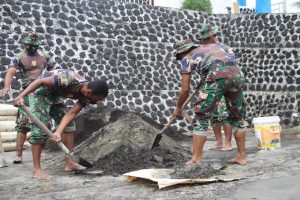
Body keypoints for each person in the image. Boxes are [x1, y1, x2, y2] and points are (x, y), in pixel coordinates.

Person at [13, 69, 109, 179]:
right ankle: (37, 170)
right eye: (98, 98)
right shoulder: (67, 78)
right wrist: (21, 95)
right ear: (89, 92)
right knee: (40, 130)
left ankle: (70, 163)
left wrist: (58, 132)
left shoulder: (87, 96)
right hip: (39, 91)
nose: (97, 102)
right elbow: (40, 82)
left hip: (53, 95)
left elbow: (71, 114)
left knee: (69, 126)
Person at [173, 23, 247, 165]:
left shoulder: (186, 57)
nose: (180, 57)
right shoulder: (217, 46)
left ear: (182, 52)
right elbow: (226, 61)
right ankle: (242, 157)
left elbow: (185, 89)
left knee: (201, 117)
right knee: (237, 118)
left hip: (217, 76)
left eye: (179, 55)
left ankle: (195, 159)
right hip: (237, 74)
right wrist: (207, 76)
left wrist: (178, 108)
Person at [0, 32, 55, 164]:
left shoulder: (44, 56)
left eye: (34, 45)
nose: (31, 48)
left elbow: (54, 71)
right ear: (24, 45)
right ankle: (18, 154)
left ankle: (41, 151)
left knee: (43, 123)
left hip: (42, 92)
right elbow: (11, 72)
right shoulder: (19, 57)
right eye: (29, 45)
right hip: (26, 92)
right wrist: (7, 86)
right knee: (22, 124)